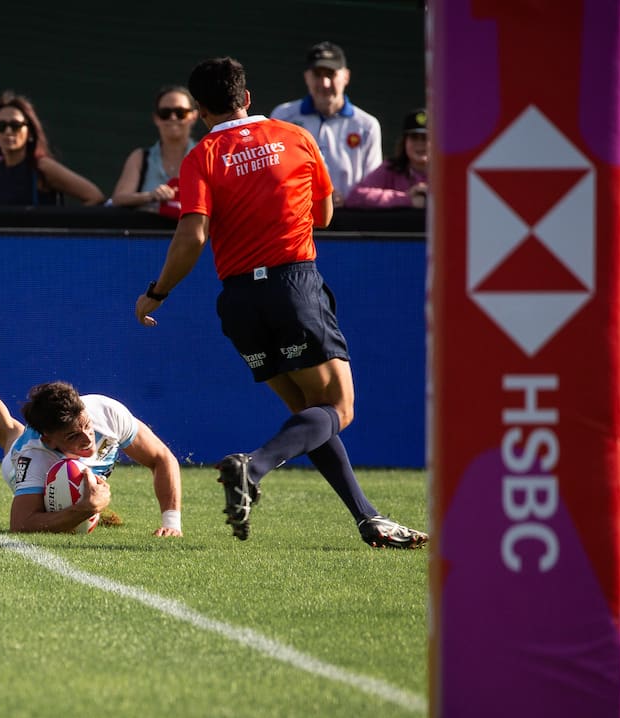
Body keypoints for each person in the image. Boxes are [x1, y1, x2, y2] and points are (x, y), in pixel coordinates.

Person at [133, 57, 426, 550]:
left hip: (241, 303)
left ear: (202, 111)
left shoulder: (202, 155)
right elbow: (325, 215)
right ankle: (255, 466)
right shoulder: (295, 137)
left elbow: (193, 235)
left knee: (310, 419)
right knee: (338, 408)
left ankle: (368, 518)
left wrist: (156, 292)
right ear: (247, 97)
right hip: (293, 288)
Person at [0, 324, 182, 536]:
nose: (88, 439)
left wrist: (171, 523)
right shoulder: (33, 457)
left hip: (62, 457)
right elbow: (22, 525)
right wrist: (84, 509)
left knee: (8, 428)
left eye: (86, 426)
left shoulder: (106, 411)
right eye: (73, 436)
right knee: (9, 435)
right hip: (25, 459)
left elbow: (161, 458)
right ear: (48, 438)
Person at [270, 42, 382, 207]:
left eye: (331, 74)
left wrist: (345, 199)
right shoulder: (282, 117)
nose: (325, 84)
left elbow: (372, 185)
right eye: (317, 75)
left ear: (346, 76)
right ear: (306, 77)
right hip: (296, 217)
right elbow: (273, 173)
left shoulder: (367, 125)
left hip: (350, 221)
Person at [0, 92, 105, 207]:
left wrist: (67, 226)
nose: (8, 131)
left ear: (30, 132)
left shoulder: (42, 167)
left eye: (15, 126)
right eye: (1, 126)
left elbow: (94, 196)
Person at [109, 86, 199, 217]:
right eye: (165, 113)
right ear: (156, 118)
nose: (173, 118)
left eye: (180, 113)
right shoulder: (140, 157)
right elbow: (119, 198)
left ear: (194, 117)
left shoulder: (206, 156)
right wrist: (150, 196)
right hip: (148, 236)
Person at [345, 108, 429, 209]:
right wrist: (406, 199)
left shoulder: (449, 173)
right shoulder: (390, 169)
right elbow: (355, 197)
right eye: (414, 137)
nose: (420, 144)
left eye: (425, 138)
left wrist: (431, 196)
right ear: (404, 142)